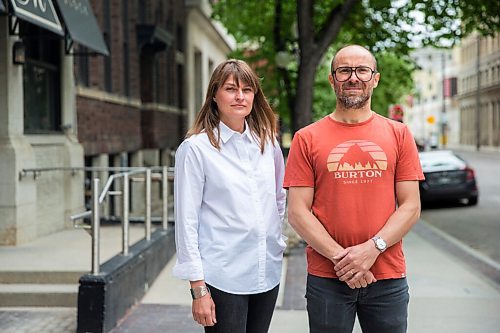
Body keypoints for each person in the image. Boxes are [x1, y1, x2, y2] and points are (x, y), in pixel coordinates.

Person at [284, 45, 424, 333]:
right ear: (332, 79)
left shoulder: (399, 134)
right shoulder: (306, 138)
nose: (353, 77)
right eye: (344, 70)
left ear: (375, 78)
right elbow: (298, 212)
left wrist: (373, 249)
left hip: (387, 276)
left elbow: (411, 206)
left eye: (362, 70)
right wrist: (344, 260)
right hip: (328, 278)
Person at [173, 59, 287, 332]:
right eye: (230, 89)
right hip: (223, 275)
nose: (240, 96)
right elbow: (186, 221)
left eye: (247, 90)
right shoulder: (196, 149)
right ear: (214, 95)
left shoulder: (268, 143)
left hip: (266, 270)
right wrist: (198, 289)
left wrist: (274, 237)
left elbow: (278, 197)